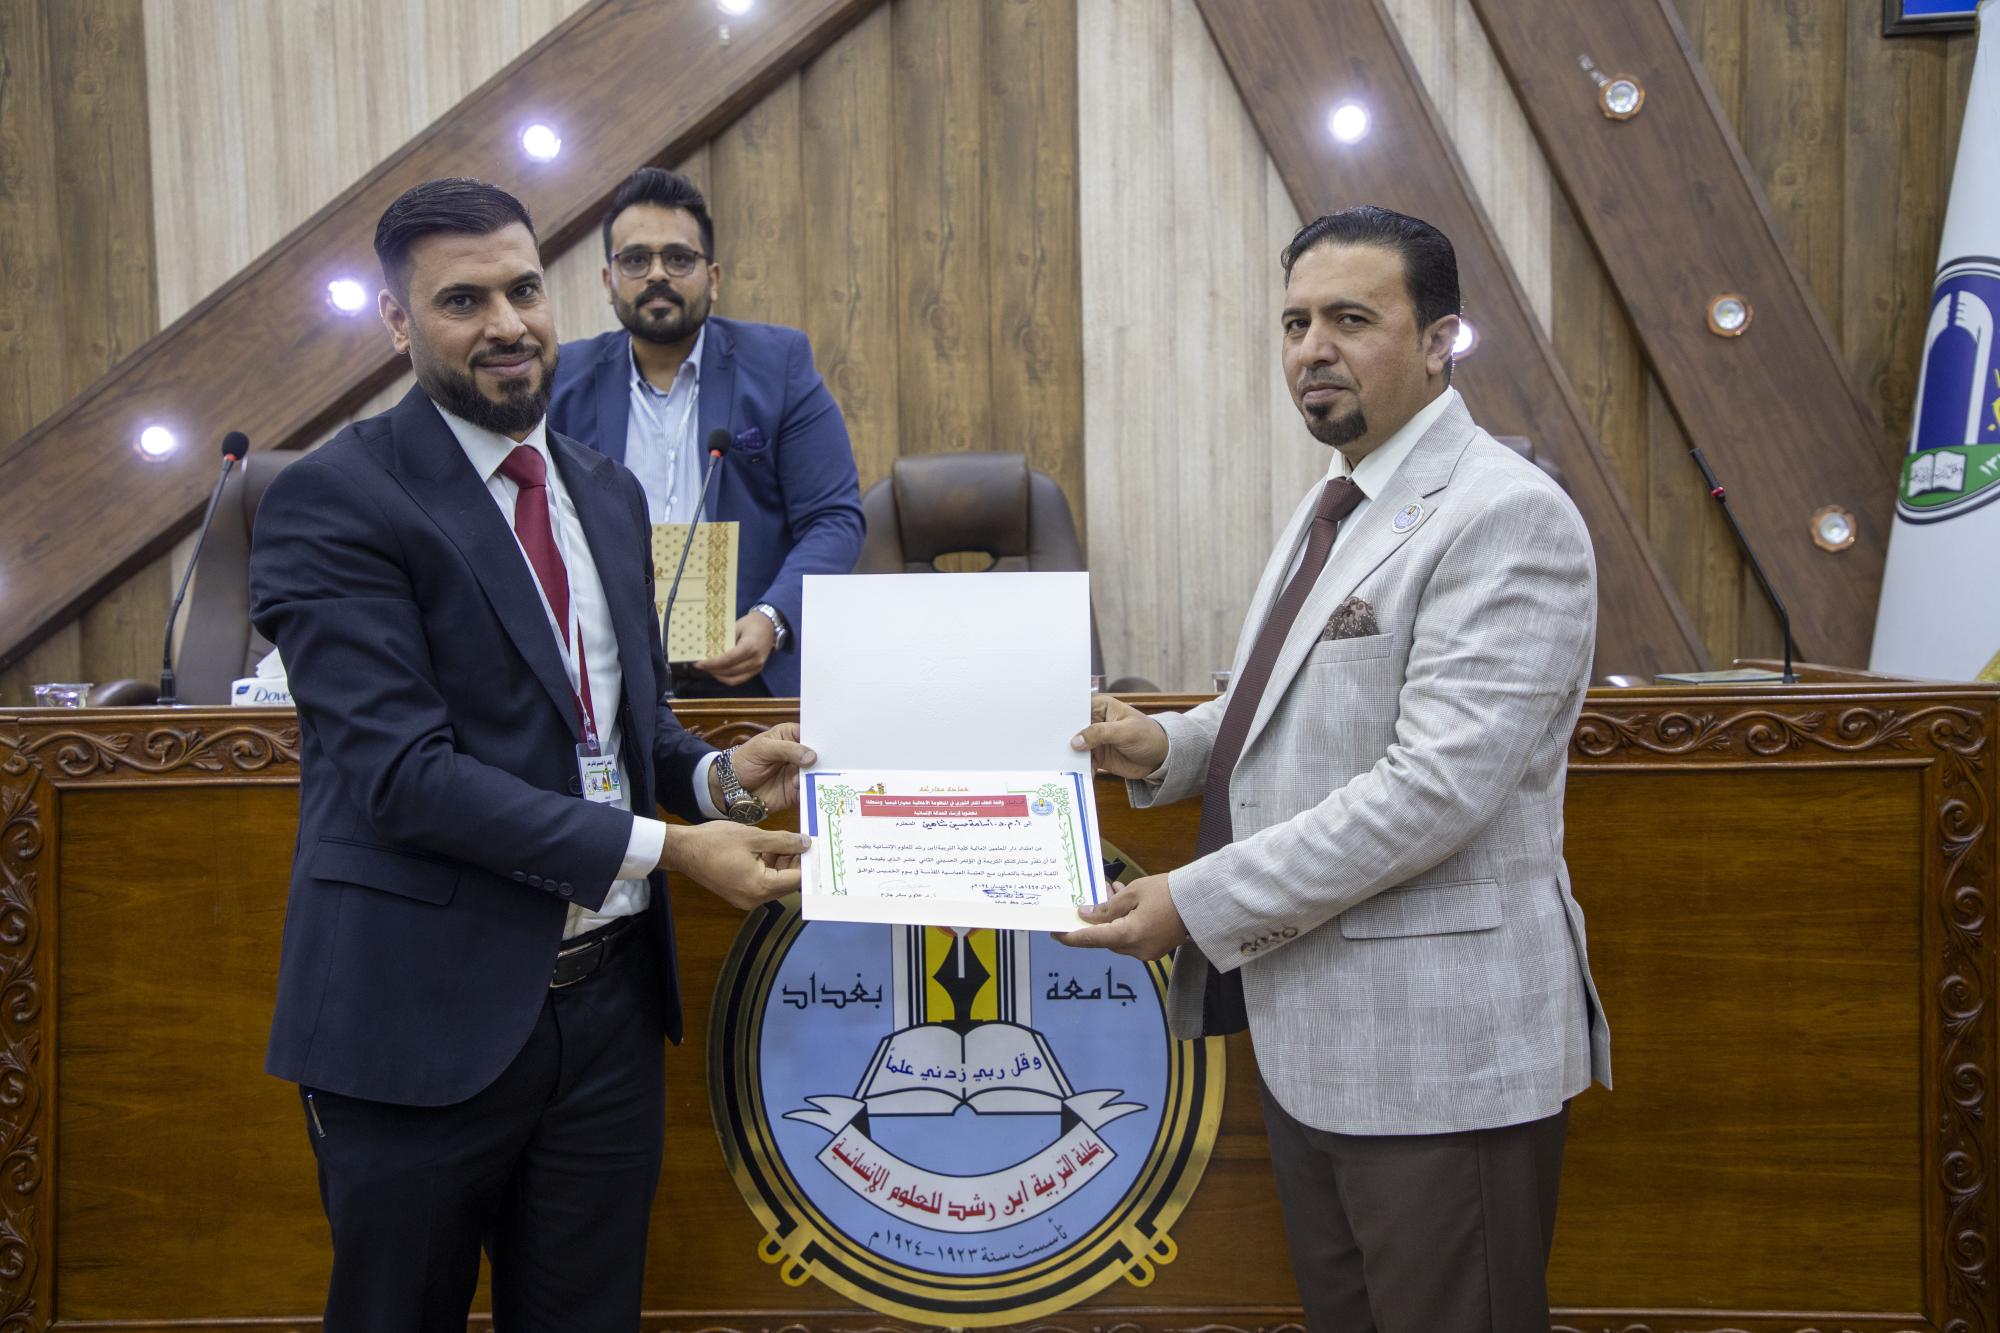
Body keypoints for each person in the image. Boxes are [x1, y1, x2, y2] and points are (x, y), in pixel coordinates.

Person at [249, 177, 815, 1332]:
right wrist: (675, 848)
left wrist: (716, 777)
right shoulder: (333, 500)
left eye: (522, 290)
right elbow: (405, 779)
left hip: (605, 1016)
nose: (506, 324)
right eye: (462, 301)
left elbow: (623, 730)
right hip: (419, 1015)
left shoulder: (603, 493)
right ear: (398, 323)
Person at [1061, 205, 1610, 1332]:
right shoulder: (1341, 496)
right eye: (1295, 322)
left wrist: (1191, 902)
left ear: (1439, 340)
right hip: (1319, 1036)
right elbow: (1282, 704)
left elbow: (1431, 792)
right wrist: (1166, 745)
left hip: (1441, 1055)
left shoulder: (1505, 516)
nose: (1312, 348)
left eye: (1351, 320)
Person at [547, 167, 864, 698]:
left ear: (712, 277)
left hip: (748, 674)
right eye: (635, 260)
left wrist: (772, 617)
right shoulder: (562, 381)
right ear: (608, 281)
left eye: (678, 258)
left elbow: (834, 519)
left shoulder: (779, 366)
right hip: (608, 679)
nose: (657, 275)